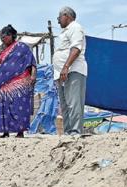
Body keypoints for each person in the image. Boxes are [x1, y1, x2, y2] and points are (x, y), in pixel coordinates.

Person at [53, 6, 87, 135]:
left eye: (59, 18)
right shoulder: (65, 31)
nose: (58, 21)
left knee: (74, 102)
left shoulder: (75, 28)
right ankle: (68, 132)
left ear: (66, 15)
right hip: (61, 73)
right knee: (65, 105)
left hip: (73, 70)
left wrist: (66, 66)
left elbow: (76, 49)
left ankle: (75, 131)